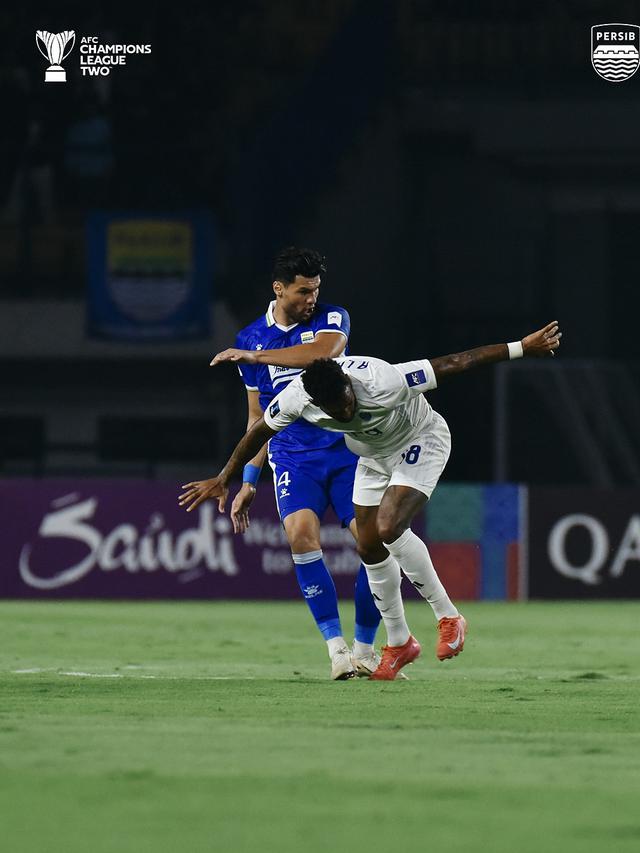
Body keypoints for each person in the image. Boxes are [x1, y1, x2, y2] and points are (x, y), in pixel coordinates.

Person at [180, 320, 562, 680]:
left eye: (346, 401)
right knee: (368, 546)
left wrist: (521, 347)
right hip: (373, 457)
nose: (344, 411)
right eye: (334, 410)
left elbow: (457, 362)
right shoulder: (298, 398)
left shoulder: (383, 380)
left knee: (389, 527)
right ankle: (399, 642)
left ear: (348, 383)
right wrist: (225, 477)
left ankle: (449, 617)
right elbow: (258, 432)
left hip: (420, 440)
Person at [208, 247, 381, 680]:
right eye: (303, 291)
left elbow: (323, 354)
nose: (311, 299)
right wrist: (250, 480)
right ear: (279, 289)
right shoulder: (251, 336)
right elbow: (257, 418)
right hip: (292, 458)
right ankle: (337, 650)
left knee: (373, 544)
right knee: (301, 537)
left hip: (345, 451)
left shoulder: (331, 318)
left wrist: (255, 357)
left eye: (316, 289)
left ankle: (366, 649)